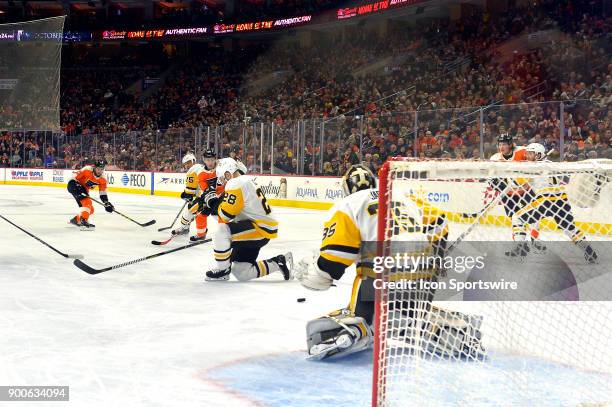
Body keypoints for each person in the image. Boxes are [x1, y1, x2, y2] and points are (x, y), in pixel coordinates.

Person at [294, 165, 480, 360]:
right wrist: (437, 258)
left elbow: (337, 257)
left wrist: (321, 271)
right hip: (424, 276)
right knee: (405, 311)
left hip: (382, 277)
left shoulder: (347, 205)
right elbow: (439, 223)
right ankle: (438, 327)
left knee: (368, 290)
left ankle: (358, 328)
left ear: (346, 189)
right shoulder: (402, 195)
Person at [198, 157, 293, 282]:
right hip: (257, 228)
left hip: (259, 229)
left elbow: (225, 215)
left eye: (222, 178)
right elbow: (224, 210)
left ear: (228, 174)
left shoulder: (236, 183)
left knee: (221, 232)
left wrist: (212, 202)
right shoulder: (244, 181)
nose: (221, 182)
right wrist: (212, 205)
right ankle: (278, 262)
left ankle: (223, 271)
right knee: (241, 272)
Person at [507, 143, 598, 263]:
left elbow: (520, 184)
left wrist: (514, 174)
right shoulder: (551, 164)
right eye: (527, 153)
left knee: (517, 217)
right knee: (569, 228)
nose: (527, 156)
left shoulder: (531, 166)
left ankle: (520, 248)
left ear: (539, 154)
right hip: (561, 200)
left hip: (544, 200)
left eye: (530, 153)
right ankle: (589, 251)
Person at [490, 133, 542, 247]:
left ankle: (535, 240)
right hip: (509, 194)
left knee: (534, 215)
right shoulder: (495, 159)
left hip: (526, 191)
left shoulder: (522, 151)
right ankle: (519, 244)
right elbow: (492, 178)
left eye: (504, 144)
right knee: (515, 220)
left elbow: (535, 160)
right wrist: (496, 183)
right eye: (500, 144)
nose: (501, 147)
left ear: (510, 144)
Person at [172, 150, 219, 242]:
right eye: (185, 164)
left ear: (193, 161)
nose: (187, 165)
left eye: (188, 162)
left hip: (208, 196)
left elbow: (190, 190)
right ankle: (196, 231)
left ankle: (185, 228)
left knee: (192, 211)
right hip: (207, 195)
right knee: (197, 213)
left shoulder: (193, 170)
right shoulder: (200, 168)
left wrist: (186, 195)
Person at [67, 159, 114, 229]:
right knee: (87, 202)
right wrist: (75, 186)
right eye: (98, 169)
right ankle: (83, 221)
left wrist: (106, 203)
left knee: (90, 209)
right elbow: (73, 178)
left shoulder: (103, 179)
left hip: (84, 191)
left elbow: (102, 193)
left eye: (102, 169)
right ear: (94, 167)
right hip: (74, 186)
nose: (100, 171)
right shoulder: (87, 169)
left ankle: (76, 220)